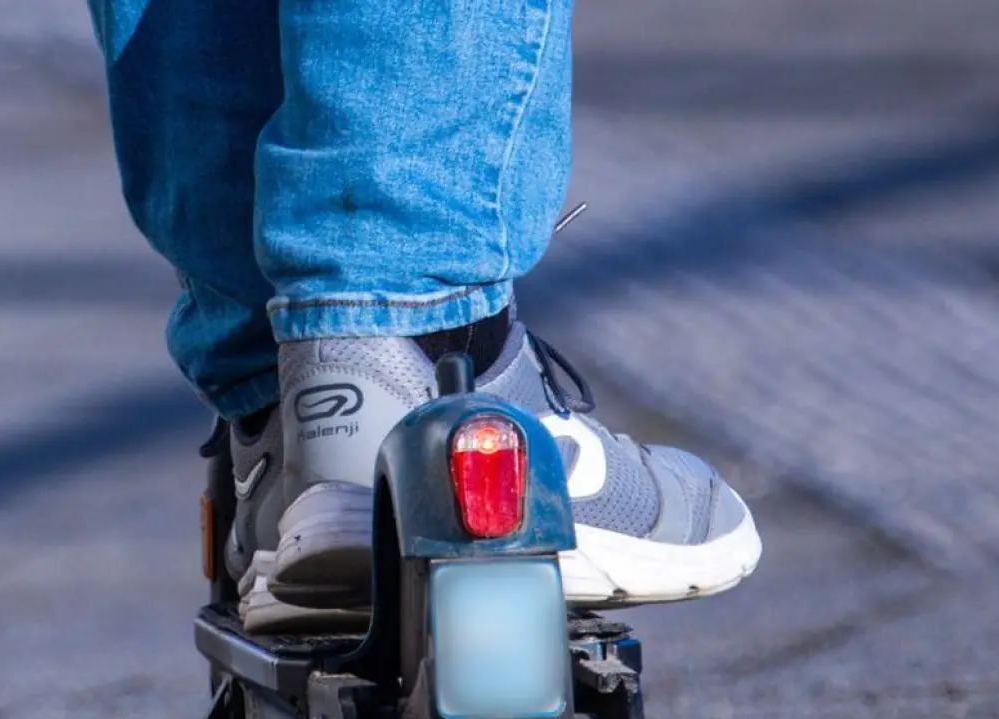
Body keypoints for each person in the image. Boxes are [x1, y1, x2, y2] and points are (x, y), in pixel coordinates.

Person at [85, 0, 762, 633]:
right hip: (430, 369)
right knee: (406, 307)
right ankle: (430, 358)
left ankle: (292, 441)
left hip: (261, 395)